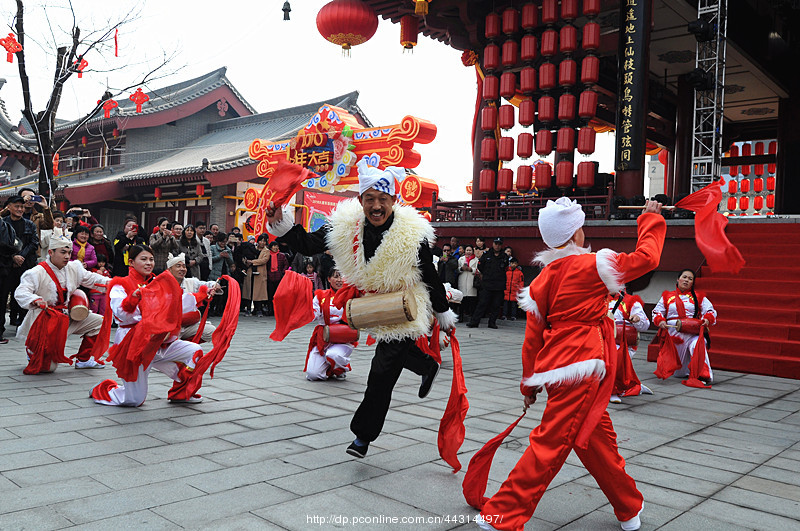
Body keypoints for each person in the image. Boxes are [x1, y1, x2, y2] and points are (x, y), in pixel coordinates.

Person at [474, 198, 666, 531]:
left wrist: (529, 384)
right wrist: (649, 219)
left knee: (595, 439)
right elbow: (647, 258)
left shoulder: (542, 280)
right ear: (577, 233)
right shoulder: (593, 264)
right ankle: (501, 515)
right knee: (549, 444)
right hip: (585, 363)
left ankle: (629, 506)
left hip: (557, 367)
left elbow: (532, 339)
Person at [267, 159, 456, 459]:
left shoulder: (413, 235)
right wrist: (281, 222)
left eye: (383, 199)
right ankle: (425, 365)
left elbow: (430, 277)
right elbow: (307, 243)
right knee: (392, 357)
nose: (376, 206)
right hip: (374, 304)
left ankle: (362, 437)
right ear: (361, 200)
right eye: (370, 199)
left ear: (394, 200)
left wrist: (443, 313)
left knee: (381, 371)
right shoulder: (345, 225)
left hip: (407, 306)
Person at [89, 245, 207, 406]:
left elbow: (177, 304)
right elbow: (121, 315)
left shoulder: (156, 283)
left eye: (151, 259)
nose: (148, 263)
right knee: (133, 400)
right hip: (133, 345)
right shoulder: (121, 285)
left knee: (194, 352)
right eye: (143, 259)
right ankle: (103, 389)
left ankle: (181, 393)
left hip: (158, 341)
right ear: (131, 262)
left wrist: (203, 295)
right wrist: (134, 298)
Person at [14, 236, 108, 373]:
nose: (67, 256)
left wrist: (117, 283)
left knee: (100, 322)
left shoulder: (74, 268)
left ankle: (84, 359)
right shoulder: (36, 272)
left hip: (66, 316)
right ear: (51, 253)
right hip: (45, 320)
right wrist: (35, 299)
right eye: (63, 252)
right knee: (48, 368)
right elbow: (21, 292)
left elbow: (93, 279)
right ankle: (33, 350)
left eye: (69, 253)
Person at [652, 269, 717, 383]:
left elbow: (711, 311)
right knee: (679, 374)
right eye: (684, 277)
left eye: (690, 279)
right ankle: (686, 369)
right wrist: (660, 320)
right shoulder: (667, 296)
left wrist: (707, 319)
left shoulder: (698, 297)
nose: (687, 280)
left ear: (692, 283)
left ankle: (703, 375)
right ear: (678, 279)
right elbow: (657, 311)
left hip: (692, 333)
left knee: (697, 344)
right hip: (674, 335)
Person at [305, 269, 355, 381]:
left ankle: (341, 368)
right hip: (324, 338)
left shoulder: (351, 295)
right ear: (328, 279)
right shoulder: (320, 295)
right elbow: (314, 314)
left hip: (342, 338)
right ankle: (331, 366)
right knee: (313, 375)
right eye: (336, 277)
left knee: (333, 355)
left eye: (342, 277)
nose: (339, 280)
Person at [1, 196, 39, 332]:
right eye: (16, 206)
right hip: (6, 265)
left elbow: (34, 243)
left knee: (25, 294)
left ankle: (23, 326)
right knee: (3, 295)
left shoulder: (30, 225)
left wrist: (21, 256)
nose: (20, 209)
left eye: (22, 207)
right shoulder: (3, 224)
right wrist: (13, 257)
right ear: (9, 207)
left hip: (25, 265)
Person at [608, 290, 653, 403]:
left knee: (614, 356)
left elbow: (645, 325)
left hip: (623, 343)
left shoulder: (631, 301)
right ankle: (633, 385)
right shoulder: (598, 298)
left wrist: (638, 319)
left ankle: (613, 391)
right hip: (602, 339)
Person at [166, 253, 221, 343]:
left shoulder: (191, 282)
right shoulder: (162, 284)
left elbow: (206, 284)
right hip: (169, 326)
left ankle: (187, 344)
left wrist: (214, 286)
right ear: (169, 269)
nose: (182, 269)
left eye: (184, 266)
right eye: (178, 266)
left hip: (188, 324)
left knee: (210, 331)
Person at [467, 237, 508, 329]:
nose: (497, 246)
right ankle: (474, 322)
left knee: (496, 305)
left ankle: (492, 323)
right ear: (493, 244)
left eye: (499, 244)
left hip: (499, 285)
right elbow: (480, 266)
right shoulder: (487, 254)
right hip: (487, 284)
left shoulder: (504, 256)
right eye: (496, 244)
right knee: (482, 303)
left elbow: (505, 267)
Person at [242, 234, 269, 316]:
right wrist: (246, 262)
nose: (262, 242)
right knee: (249, 291)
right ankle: (248, 309)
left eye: (264, 241)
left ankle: (259, 310)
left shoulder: (266, 251)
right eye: (261, 240)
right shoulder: (252, 248)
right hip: (250, 271)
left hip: (260, 273)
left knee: (258, 293)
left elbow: (263, 260)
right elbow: (244, 257)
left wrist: (252, 262)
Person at [265, 240, 288, 316]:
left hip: (279, 277)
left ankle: (278, 311)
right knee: (270, 295)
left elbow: (286, 264)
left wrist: (283, 272)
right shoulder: (267, 255)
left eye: (277, 246)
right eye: (274, 246)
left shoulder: (282, 255)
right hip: (270, 277)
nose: (276, 247)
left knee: (278, 296)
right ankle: (270, 310)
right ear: (270, 247)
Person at [457, 245, 479, 322]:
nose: (468, 252)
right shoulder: (461, 259)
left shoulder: (476, 260)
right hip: (462, 280)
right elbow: (457, 269)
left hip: (471, 281)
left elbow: (478, 270)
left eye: (470, 250)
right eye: (467, 250)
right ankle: (461, 316)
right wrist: (461, 268)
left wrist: (471, 269)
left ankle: (472, 317)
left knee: (472, 300)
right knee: (462, 301)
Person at [502, 257, 524, 321]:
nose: (513, 265)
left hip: (515, 291)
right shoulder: (506, 272)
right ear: (510, 263)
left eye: (515, 263)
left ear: (517, 264)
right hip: (507, 290)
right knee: (505, 304)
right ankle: (504, 315)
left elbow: (521, 282)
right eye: (512, 263)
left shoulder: (519, 273)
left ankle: (513, 316)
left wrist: (520, 290)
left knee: (513, 305)